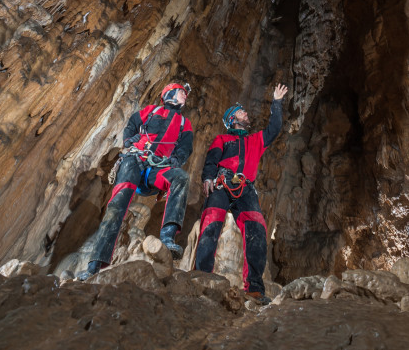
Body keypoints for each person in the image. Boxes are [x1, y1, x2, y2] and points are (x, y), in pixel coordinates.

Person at [78, 81, 193, 280]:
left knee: (180, 177)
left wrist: (176, 159)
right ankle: (95, 265)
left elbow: (185, 147)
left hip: (156, 167)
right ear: (169, 94)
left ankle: (167, 237)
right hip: (134, 160)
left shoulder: (184, 123)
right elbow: (132, 124)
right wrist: (129, 141)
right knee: (117, 205)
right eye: (181, 92)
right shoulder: (151, 110)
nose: (185, 96)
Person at [194, 83, 288, 304]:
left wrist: (277, 102)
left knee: (257, 226)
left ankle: (254, 287)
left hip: (246, 189)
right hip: (222, 182)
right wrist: (208, 178)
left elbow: (274, 129)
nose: (246, 114)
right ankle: (200, 276)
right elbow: (211, 160)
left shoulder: (255, 140)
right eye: (241, 112)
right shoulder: (223, 139)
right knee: (212, 222)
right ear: (232, 119)